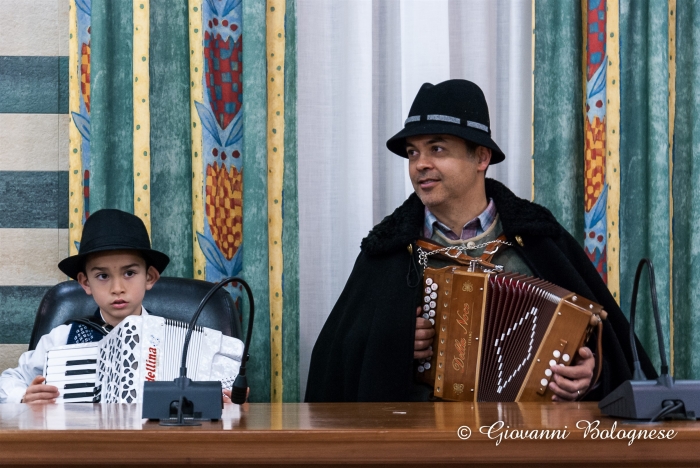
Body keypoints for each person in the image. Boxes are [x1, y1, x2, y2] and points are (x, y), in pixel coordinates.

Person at [305, 79, 656, 403]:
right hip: (423, 441)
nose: (420, 165)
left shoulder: (539, 239)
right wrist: (391, 341)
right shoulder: (389, 250)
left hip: (525, 440)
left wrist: (589, 374)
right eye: (413, 153)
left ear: (481, 158)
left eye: (437, 149)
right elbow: (335, 360)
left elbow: (610, 352)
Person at [0, 209, 241, 404]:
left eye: (129, 273)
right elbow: (9, 381)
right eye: (103, 276)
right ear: (85, 282)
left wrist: (227, 402)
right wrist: (22, 397)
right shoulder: (61, 340)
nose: (117, 287)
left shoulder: (183, 343)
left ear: (150, 277)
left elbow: (221, 401)